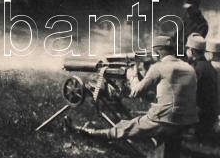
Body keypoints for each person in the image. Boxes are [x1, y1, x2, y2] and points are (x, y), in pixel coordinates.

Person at [66, 35, 198, 142]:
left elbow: (135, 92)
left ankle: (89, 133)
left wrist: (132, 76)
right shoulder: (189, 68)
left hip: (165, 121)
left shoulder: (158, 67)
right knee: (134, 122)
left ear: (157, 52)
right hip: (188, 121)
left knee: (124, 128)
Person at [186, 33, 218, 139]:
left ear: (192, 51)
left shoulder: (197, 69)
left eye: (188, 48)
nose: (187, 51)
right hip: (210, 114)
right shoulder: (208, 66)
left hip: (200, 116)